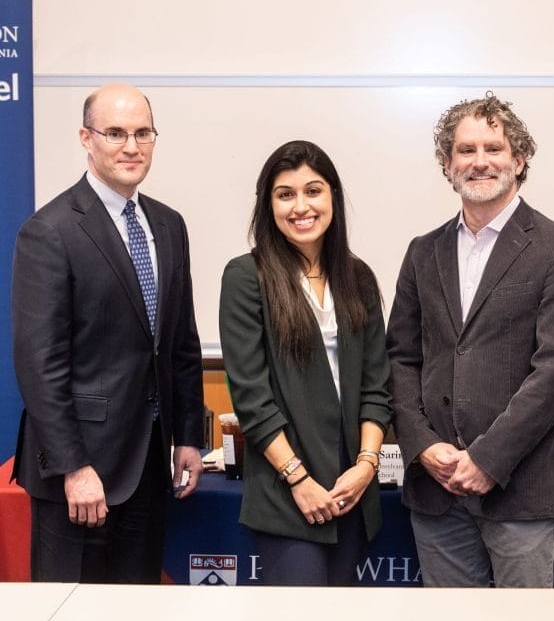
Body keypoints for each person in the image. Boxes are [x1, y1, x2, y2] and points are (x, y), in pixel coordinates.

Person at [386, 93, 554, 588]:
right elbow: (401, 357)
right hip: (436, 488)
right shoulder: (423, 251)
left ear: (519, 160)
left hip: (521, 487)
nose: (479, 161)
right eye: (465, 150)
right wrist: (422, 445)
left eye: (494, 148)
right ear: (446, 164)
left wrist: (487, 459)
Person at [11, 83, 204, 583]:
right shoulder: (49, 230)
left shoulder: (168, 224)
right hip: (80, 477)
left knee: (138, 607)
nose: (131, 146)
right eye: (115, 133)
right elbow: (40, 365)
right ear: (85, 137)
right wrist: (74, 467)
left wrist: (188, 436)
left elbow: (179, 342)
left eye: (143, 133)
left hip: (148, 467)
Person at [219, 140, 392, 586]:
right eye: (285, 194)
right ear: (268, 204)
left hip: (351, 484)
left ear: (332, 195)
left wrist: (365, 466)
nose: (301, 206)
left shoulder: (358, 278)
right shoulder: (246, 277)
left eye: (313, 191)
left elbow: (376, 385)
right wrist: (297, 478)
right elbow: (252, 397)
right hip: (285, 485)